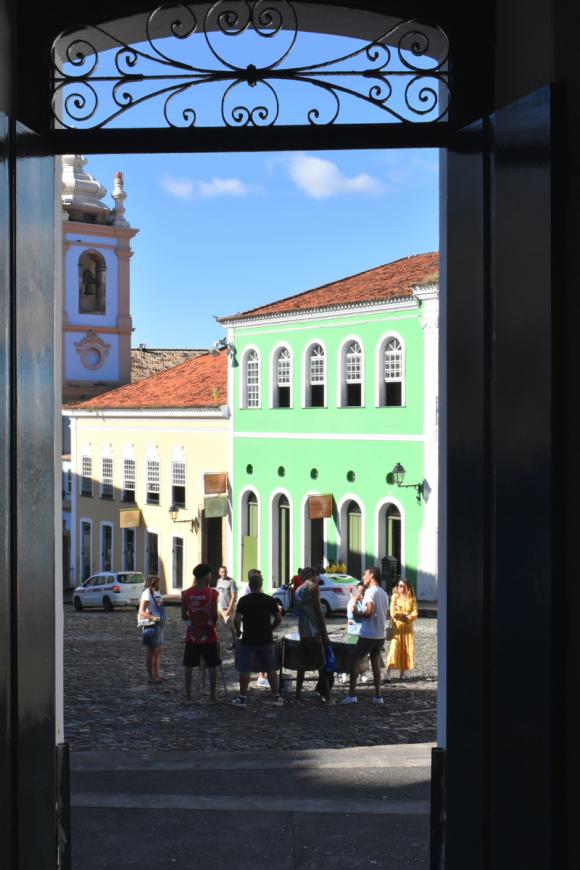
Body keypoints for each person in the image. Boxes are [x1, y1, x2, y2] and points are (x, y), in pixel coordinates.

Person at [231, 569, 283, 707]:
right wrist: (271, 629)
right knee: (271, 668)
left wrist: (238, 632)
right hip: (266, 638)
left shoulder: (243, 600)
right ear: (261, 584)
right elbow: (278, 618)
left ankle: (242, 698)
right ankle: (276, 697)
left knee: (245, 669)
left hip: (249, 639)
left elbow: (236, 619)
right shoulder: (269, 599)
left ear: (250, 584)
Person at [339, 566, 389, 705]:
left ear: (371, 575)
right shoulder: (384, 593)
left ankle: (352, 695)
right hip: (380, 634)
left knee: (355, 660)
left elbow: (369, 612)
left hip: (369, 634)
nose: (363, 577)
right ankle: (378, 696)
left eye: (365, 574)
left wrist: (356, 613)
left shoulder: (370, 592)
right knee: (375, 663)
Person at [181, 563, 220, 704]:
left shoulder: (186, 593)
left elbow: (184, 616)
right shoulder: (213, 593)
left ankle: (189, 696)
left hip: (192, 635)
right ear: (207, 576)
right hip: (209, 635)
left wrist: (194, 615)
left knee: (189, 665)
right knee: (212, 665)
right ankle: (212, 696)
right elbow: (215, 615)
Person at [295, 566, 332, 703]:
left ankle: (298, 696)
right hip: (314, 631)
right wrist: (325, 634)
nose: (317, 579)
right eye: (316, 576)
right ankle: (327, 697)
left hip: (303, 631)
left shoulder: (298, 590)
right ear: (311, 575)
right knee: (322, 665)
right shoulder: (313, 587)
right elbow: (319, 611)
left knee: (302, 665)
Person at [385, 579, 418, 681]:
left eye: (402, 586)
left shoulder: (411, 599)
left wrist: (407, 618)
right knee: (394, 649)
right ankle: (387, 673)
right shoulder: (395, 597)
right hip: (397, 628)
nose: (400, 588)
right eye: (399, 586)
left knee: (406, 649)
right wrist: (403, 615)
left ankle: (402, 673)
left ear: (407, 587)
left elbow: (415, 613)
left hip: (407, 629)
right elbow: (393, 612)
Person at [138, 575, 166, 683]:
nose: (159, 583)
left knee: (158, 651)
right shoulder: (147, 593)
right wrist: (152, 617)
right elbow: (141, 611)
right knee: (151, 651)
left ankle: (157, 675)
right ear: (153, 582)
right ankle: (151, 676)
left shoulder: (157, 592)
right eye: (157, 582)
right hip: (151, 625)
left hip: (160, 625)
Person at [216, 565, 238, 650]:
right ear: (219, 573)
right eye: (222, 572)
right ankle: (214, 641)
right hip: (219, 607)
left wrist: (229, 608)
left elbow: (234, 596)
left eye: (225, 572)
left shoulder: (231, 581)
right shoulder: (218, 581)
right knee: (214, 624)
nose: (224, 573)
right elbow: (218, 593)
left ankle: (235, 642)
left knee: (231, 627)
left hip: (228, 607)